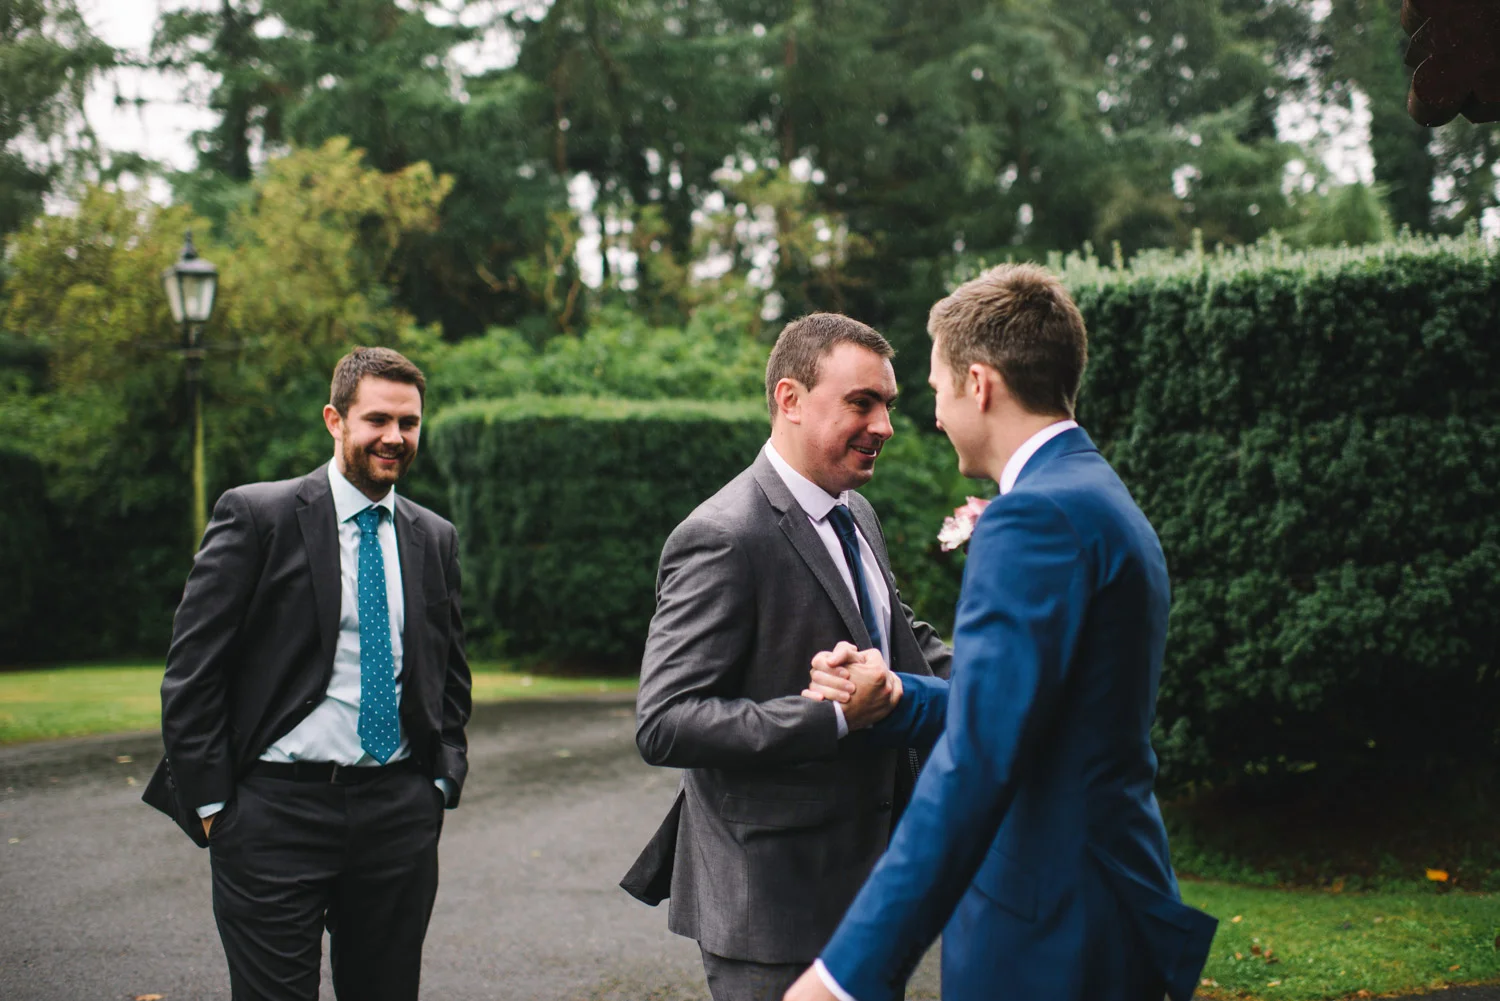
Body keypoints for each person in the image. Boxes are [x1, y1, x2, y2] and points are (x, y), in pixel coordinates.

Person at [784, 265, 1218, 1001]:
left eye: (936, 389)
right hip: (1105, 898)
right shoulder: (1093, 491)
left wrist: (843, 974)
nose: (936, 413)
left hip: (1050, 924)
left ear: (979, 384)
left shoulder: (1033, 519)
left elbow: (979, 759)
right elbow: (1036, 711)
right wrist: (893, 694)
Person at [622, 313, 952, 1001]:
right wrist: (827, 717)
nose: (885, 425)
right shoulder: (722, 534)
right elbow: (665, 721)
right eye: (862, 402)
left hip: (872, 893)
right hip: (773, 909)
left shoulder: (856, 512)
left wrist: (1012, 678)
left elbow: (904, 639)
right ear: (791, 399)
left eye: (887, 404)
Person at [143, 346, 472, 1001]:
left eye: (409, 422)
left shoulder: (433, 536)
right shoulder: (258, 516)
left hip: (396, 817)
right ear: (335, 419)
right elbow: (192, 675)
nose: (394, 436)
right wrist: (216, 809)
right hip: (273, 814)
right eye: (377, 418)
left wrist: (439, 778)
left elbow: (449, 673)